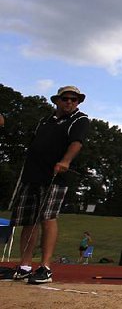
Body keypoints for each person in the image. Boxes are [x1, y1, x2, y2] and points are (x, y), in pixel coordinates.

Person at [2, 86, 89, 284]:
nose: (69, 102)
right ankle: (24, 266)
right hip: (32, 174)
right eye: (66, 99)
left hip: (55, 176)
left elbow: (77, 142)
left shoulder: (79, 119)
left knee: (48, 217)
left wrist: (66, 160)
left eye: (74, 100)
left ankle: (45, 267)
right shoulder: (44, 121)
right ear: (57, 100)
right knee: (28, 221)